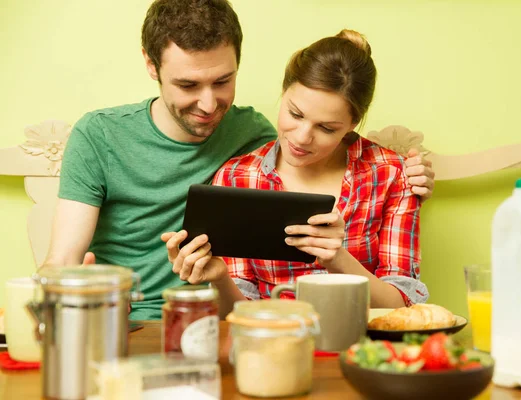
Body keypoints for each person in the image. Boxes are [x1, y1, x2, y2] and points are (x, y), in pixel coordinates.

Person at [44, 0, 434, 321]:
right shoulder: (101, 136)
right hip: (128, 320)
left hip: (221, 325)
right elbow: (61, 261)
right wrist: (75, 291)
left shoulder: (255, 135)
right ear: (151, 65)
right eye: (188, 85)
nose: (209, 104)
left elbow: (406, 299)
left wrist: (411, 173)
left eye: (222, 81)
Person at [163, 29, 429, 317]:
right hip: (271, 340)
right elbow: (238, 315)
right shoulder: (238, 177)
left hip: (361, 345)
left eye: (326, 128)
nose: (302, 138)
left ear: (353, 123)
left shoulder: (392, 175)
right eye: (295, 114)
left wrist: (337, 259)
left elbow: (404, 306)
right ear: (284, 92)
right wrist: (219, 278)